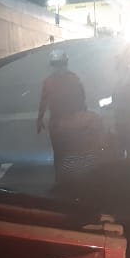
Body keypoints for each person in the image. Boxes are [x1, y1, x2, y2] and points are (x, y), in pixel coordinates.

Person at [37, 49, 88, 182]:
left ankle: (62, 180)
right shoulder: (73, 78)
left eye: (60, 64)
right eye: (57, 64)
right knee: (67, 151)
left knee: (62, 152)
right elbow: (82, 100)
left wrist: (39, 119)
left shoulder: (51, 81)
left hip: (63, 122)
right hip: (66, 122)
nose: (59, 67)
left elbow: (43, 101)